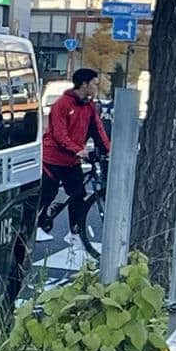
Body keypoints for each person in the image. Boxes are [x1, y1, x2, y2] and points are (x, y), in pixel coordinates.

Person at [37, 67, 111, 241]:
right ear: (84, 84)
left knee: (78, 195)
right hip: (52, 158)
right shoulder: (61, 104)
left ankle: (75, 233)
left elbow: (98, 130)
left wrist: (108, 150)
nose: (96, 87)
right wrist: (77, 149)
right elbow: (59, 134)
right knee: (48, 192)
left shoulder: (90, 106)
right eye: (94, 83)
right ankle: (38, 225)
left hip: (72, 160)